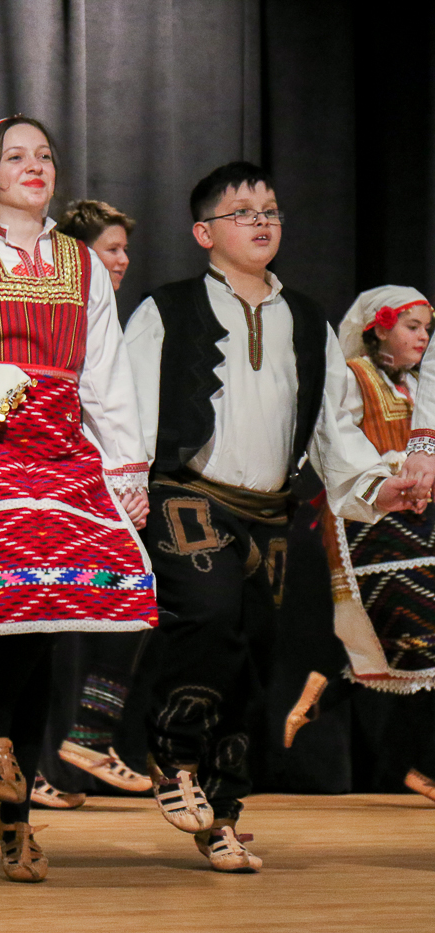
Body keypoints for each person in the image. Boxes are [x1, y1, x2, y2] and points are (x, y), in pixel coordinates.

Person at [124, 162, 416, 872]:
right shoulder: (166, 308)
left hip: (269, 509)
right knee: (208, 613)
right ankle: (171, 754)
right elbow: (126, 404)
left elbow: (334, 428)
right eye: (243, 211)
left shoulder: (308, 320)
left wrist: (378, 488)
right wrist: (124, 484)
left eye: (271, 210)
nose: (261, 221)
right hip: (187, 492)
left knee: (253, 655)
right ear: (204, 233)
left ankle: (223, 813)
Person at [0, 117, 156, 883]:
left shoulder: (80, 263)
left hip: (61, 444)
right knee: (24, 597)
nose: (35, 165)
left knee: (58, 602)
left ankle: (0, 759)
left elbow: (106, 367)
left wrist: (125, 466)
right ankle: (10, 795)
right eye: (17, 155)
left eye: (44, 155)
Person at [284, 286, 435, 799]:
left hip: (419, 519)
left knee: (412, 643)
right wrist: (387, 475)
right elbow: (333, 448)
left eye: (426, 329)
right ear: (379, 329)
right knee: (419, 637)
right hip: (373, 522)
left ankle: (332, 688)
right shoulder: (353, 376)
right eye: (412, 326)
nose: (423, 337)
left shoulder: (417, 388)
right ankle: (414, 763)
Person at [33, 199, 151, 809]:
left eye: (125, 249)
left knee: (104, 612)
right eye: (112, 249)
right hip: (57, 475)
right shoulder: (57, 312)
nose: (123, 260)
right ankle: (44, 755)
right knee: (46, 623)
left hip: (101, 479)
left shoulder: (107, 315)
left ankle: (72, 749)